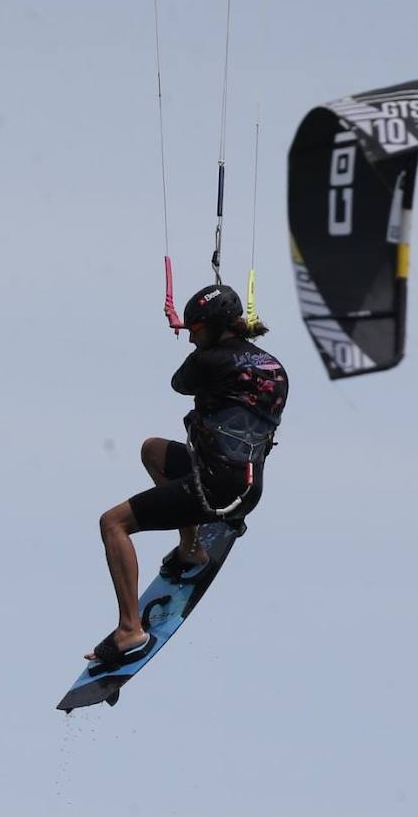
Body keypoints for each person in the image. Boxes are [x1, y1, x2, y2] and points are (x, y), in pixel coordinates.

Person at [86, 283, 289, 668]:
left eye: (195, 331)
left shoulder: (208, 362)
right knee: (153, 451)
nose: (191, 338)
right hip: (245, 484)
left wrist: (202, 348)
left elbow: (180, 383)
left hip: (215, 489)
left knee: (113, 523)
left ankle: (129, 629)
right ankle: (190, 548)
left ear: (214, 327)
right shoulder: (272, 365)